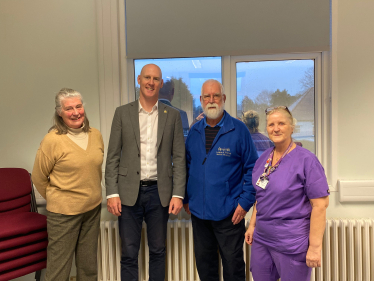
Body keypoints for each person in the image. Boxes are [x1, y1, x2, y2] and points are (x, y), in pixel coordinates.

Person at [105, 64, 186, 281]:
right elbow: (112, 155)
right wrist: (112, 193)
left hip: (159, 194)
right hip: (127, 193)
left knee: (158, 250)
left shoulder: (173, 116)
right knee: (129, 252)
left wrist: (178, 194)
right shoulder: (122, 113)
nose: (151, 82)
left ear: (161, 83)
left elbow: (178, 158)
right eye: (147, 78)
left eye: (156, 79)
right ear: (139, 80)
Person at [184, 79, 258, 281]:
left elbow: (253, 168)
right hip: (199, 213)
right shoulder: (194, 131)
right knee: (205, 266)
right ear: (201, 100)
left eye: (216, 95)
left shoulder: (238, 130)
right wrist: (186, 198)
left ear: (223, 98)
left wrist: (244, 203)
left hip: (230, 213)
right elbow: (186, 166)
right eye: (207, 96)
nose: (211, 100)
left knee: (233, 268)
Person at [245, 106, 329, 281]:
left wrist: (314, 248)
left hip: (291, 242)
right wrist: (252, 225)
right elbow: (261, 196)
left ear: (292, 127)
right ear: (266, 128)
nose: (276, 128)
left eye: (281, 123)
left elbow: (320, 205)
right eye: (271, 124)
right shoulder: (264, 159)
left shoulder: (307, 160)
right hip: (262, 239)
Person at [32, 88, 104, 281]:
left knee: (88, 268)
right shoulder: (52, 140)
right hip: (63, 215)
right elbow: (38, 177)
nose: (75, 112)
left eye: (78, 106)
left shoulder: (95, 135)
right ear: (59, 112)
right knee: (58, 271)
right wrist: (60, 199)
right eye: (69, 108)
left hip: (92, 209)